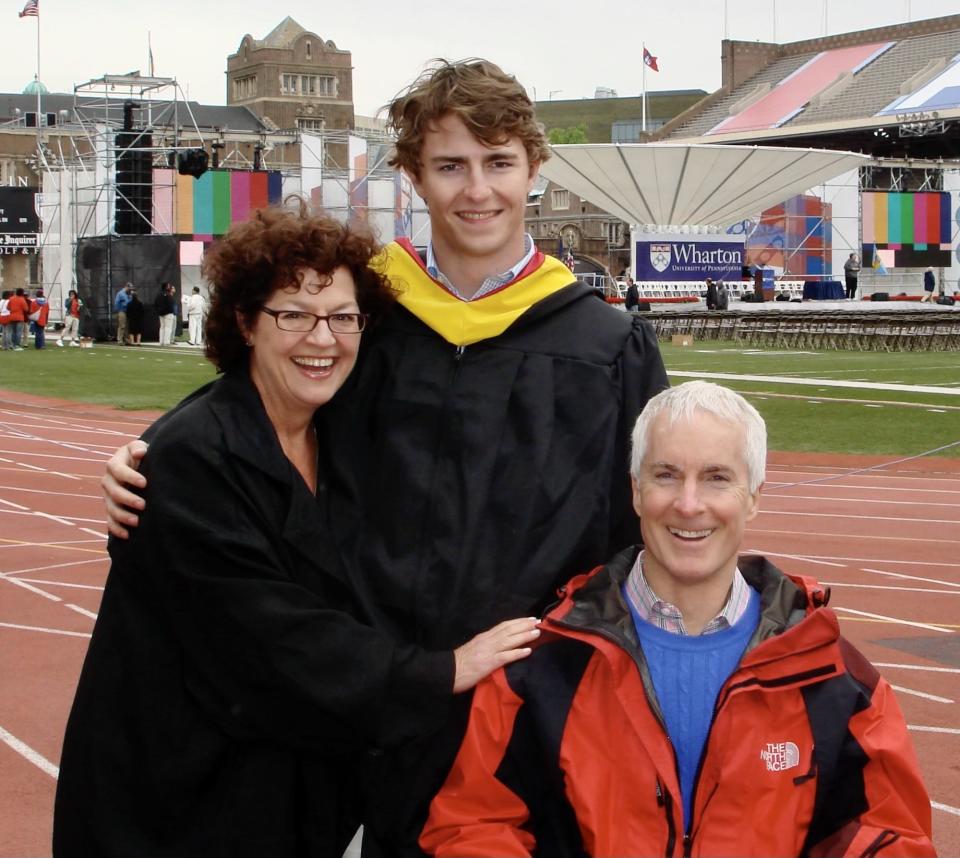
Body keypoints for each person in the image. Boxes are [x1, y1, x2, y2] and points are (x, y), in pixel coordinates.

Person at [101, 58, 669, 856]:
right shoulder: (371, 317)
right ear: (412, 175)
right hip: (357, 702)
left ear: (535, 171)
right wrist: (146, 454)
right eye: (450, 166)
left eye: (499, 162)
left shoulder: (603, 347)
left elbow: (633, 531)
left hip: (525, 705)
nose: (478, 191)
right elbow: (258, 407)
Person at [54, 206, 539, 858]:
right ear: (246, 323)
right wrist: (443, 669)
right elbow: (276, 641)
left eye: (343, 317)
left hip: (280, 795)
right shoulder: (189, 460)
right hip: (173, 808)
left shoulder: (340, 436)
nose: (323, 338)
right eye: (294, 314)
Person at [422, 381, 936, 858]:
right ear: (635, 490)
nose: (689, 505)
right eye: (666, 475)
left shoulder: (838, 680)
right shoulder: (540, 670)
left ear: (754, 496)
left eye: (716, 478)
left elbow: (892, 836)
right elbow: (473, 827)